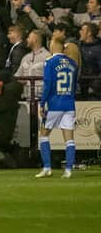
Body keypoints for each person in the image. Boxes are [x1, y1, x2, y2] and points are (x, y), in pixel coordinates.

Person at [36, 36, 78, 179]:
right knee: (69, 139)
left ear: (54, 45)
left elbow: (48, 84)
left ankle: (47, 167)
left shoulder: (50, 61)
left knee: (43, 135)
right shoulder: (73, 63)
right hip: (69, 104)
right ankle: (68, 170)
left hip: (54, 104)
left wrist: (42, 103)